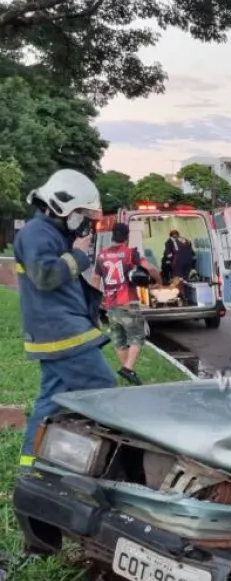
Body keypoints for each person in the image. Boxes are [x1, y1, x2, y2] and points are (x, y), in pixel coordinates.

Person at [13, 169, 116, 468]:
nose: (85, 223)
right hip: (62, 333)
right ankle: (106, 462)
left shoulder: (50, 233)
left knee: (52, 400)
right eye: (82, 214)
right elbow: (45, 276)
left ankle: (33, 464)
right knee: (102, 390)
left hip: (59, 332)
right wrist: (79, 255)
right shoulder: (36, 233)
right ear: (62, 206)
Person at [93, 222, 160, 386]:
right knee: (137, 336)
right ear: (127, 237)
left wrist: (95, 301)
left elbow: (95, 280)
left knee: (119, 340)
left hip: (110, 305)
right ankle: (127, 368)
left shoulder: (101, 255)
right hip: (128, 303)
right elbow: (149, 269)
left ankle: (126, 372)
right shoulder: (131, 253)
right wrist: (159, 280)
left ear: (113, 236)